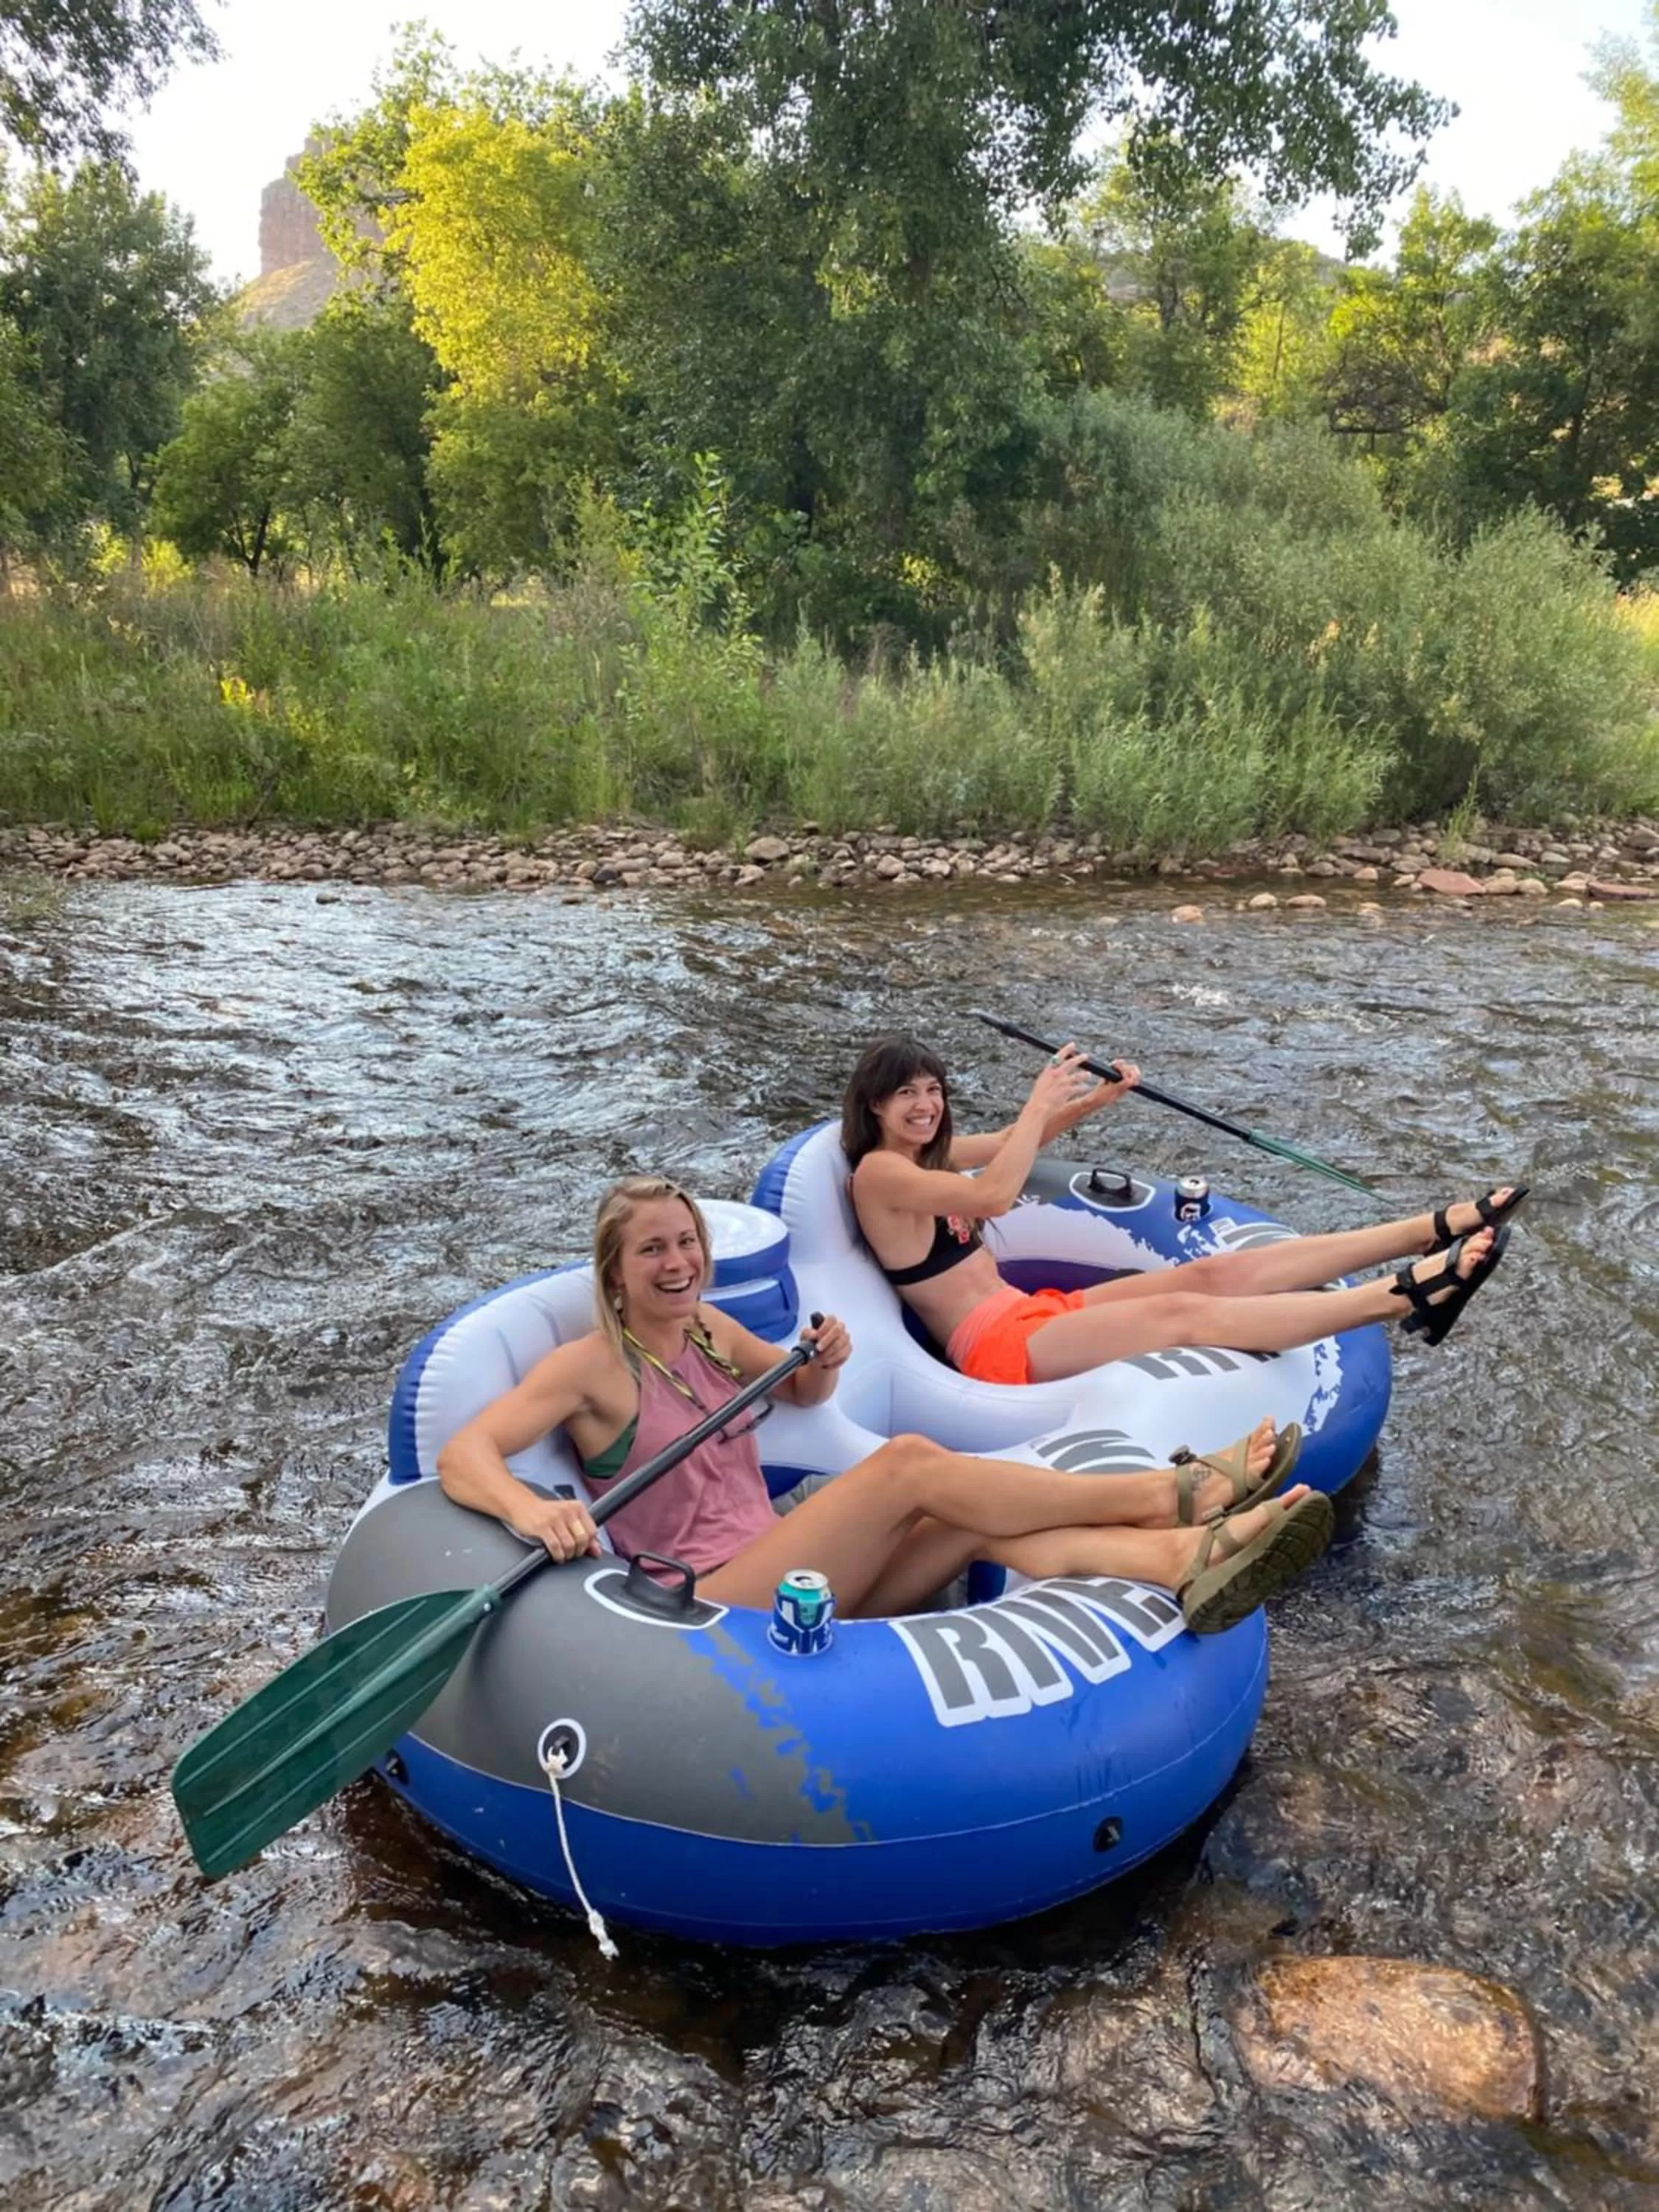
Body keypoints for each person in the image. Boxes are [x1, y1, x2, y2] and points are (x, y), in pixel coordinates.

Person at [436, 1175, 1335, 1637]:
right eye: (652, 1253)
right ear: (614, 1273)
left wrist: (824, 1358)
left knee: (972, 1523)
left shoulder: (706, 1330)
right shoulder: (589, 1366)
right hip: (716, 1604)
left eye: (686, 1244)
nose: (677, 1264)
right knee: (907, 1462)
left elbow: (801, 1388)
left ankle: (1186, 1555)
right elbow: (464, 1454)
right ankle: (1161, 1493)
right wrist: (528, 1506)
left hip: (787, 1560)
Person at [843, 1034, 1523, 1386]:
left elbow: (1010, 1146)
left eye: (933, 1090)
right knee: (1181, 1316)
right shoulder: (880, 1174)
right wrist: (1037, 1100)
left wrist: (1089, 1103)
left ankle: (1429, 1227)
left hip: (1029, 1312)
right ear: (875, 1104)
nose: (925, 1105)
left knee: (1207, 1277)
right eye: (907, 1093)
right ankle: (1404, 1297)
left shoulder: (929, 1154)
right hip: (994, 1348)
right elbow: (994, 1190)